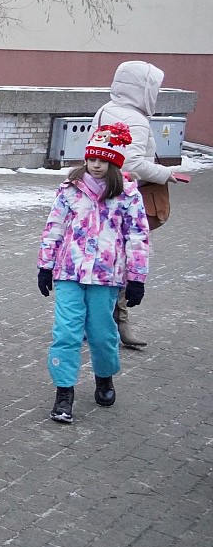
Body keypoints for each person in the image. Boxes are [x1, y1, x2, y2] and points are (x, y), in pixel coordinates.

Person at [37, 123, 149, 424]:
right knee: (66, 332)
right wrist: (45, 265)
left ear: (114, 163)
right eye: (92, 158)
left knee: (101, 334)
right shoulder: (69, 190)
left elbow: (137, 236)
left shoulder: (127, 195)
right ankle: (64, 391)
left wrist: (137, 277)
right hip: (69, 272)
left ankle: (104, 376)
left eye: (103, 160)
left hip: (105, 276)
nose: (96, 165)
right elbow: (54, 228)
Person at [92, 61, 182, 348]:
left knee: (100, 258)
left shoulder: (105, 109)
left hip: (99, 195)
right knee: (123, 260)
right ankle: (117, 323)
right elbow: (131, 164)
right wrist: (166, 173)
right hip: (123, 199)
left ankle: (97, 320)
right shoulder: (137, 120)